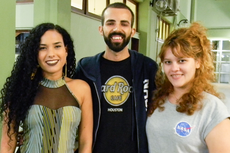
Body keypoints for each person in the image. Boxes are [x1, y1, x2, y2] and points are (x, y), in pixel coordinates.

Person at [74, 2, 158, 153]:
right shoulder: (86, 68)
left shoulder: (147, 68)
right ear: (101, 29)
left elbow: (165, 108)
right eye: (110, 23)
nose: (117, 29)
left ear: (132, 31)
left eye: (124, 24)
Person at [0, 23, 93, 153]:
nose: (51, 54)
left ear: (66, 50)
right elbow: (7, 145)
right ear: (35, 54)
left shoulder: (81, 89)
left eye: (57, 46)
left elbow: (86, 143)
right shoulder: (21, 89)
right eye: (42, 48)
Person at [146, 22, 230, 153]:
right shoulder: (158, 99)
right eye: (168, 62)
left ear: (198, 62)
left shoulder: (212, 109)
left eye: (182, 61)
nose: (174, 68)